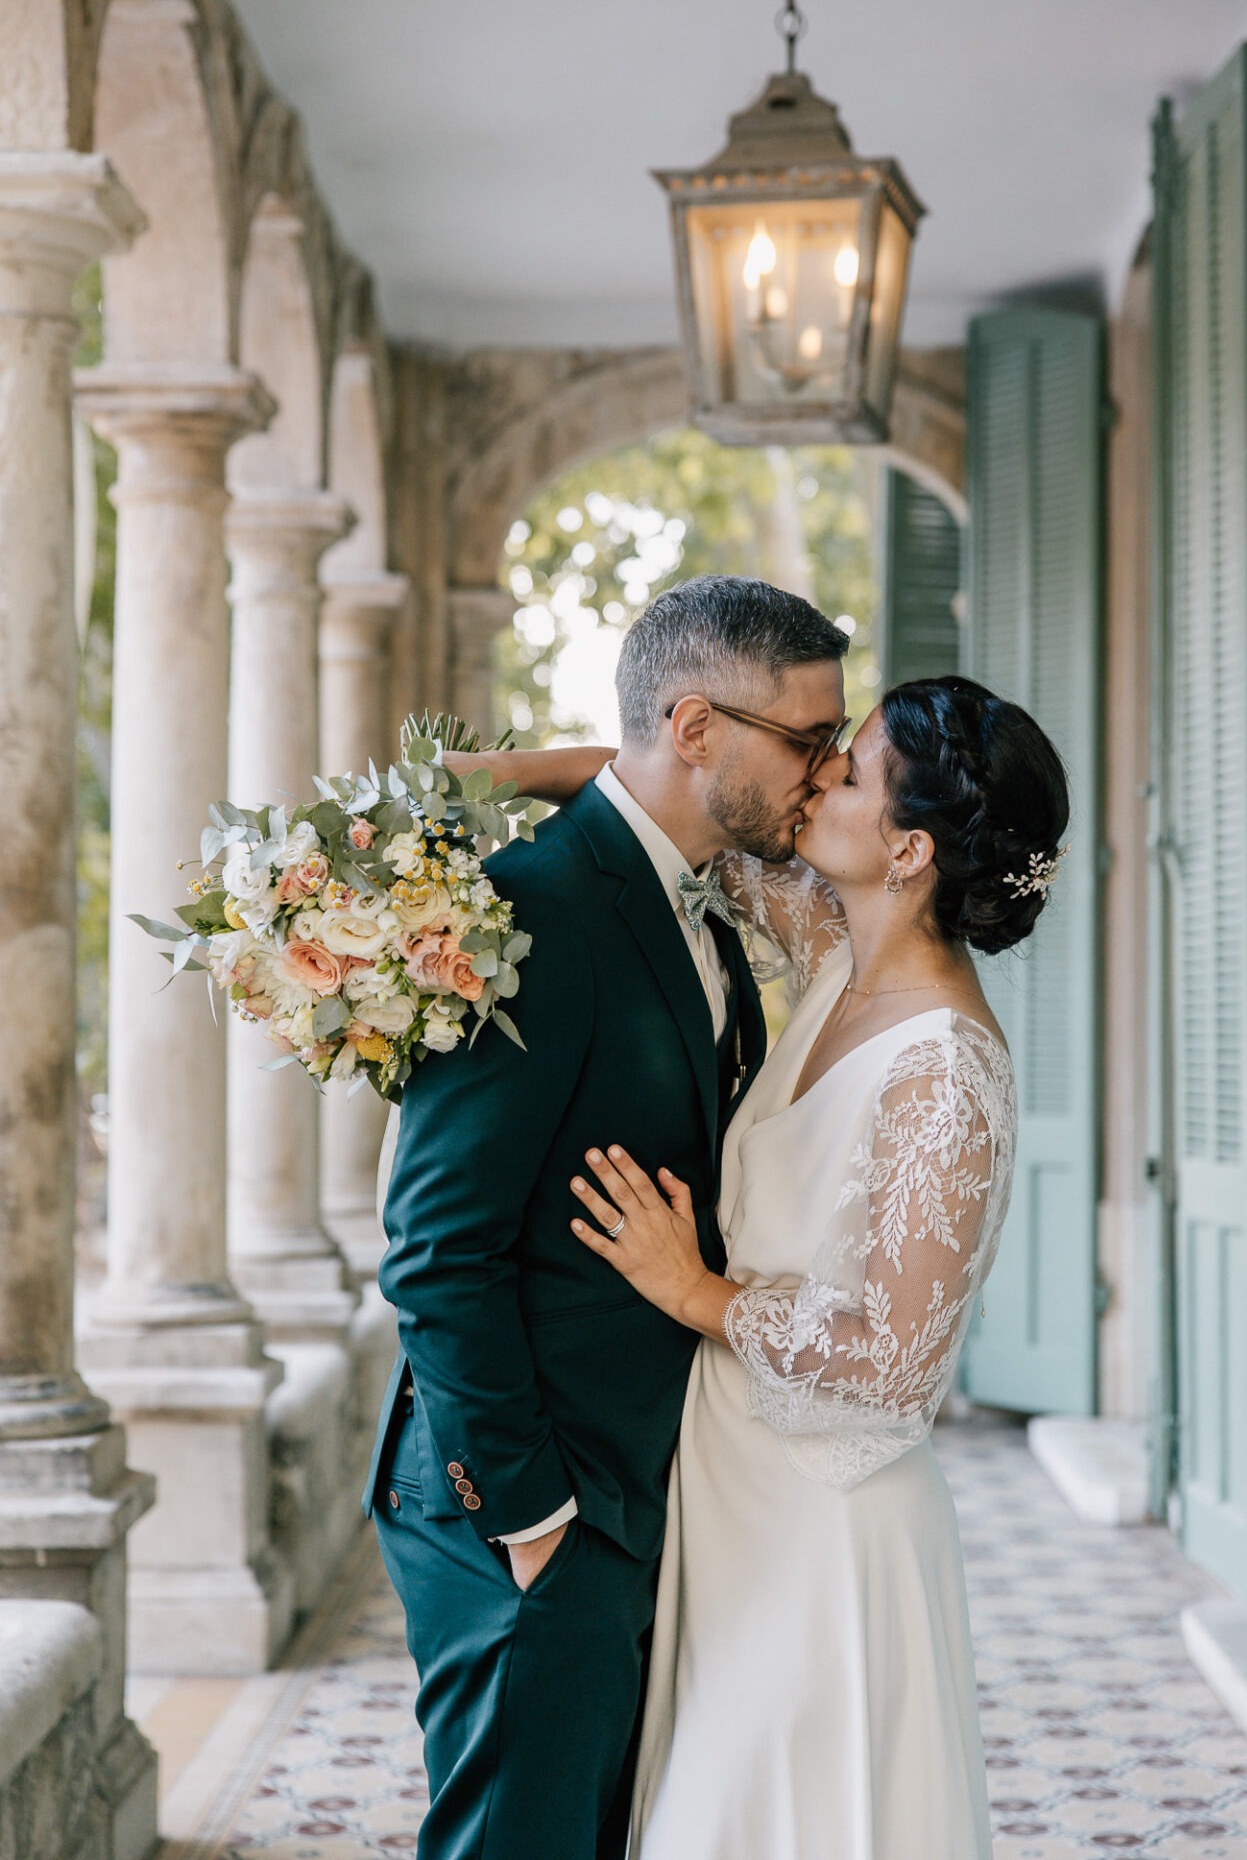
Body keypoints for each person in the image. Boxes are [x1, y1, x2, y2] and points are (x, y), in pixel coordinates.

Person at [499, 673, 1069, 1860]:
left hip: (825, 1530)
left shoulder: (944, 1074)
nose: (816, 778)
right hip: (729, 1494)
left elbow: (896, 1365)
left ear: (906, 848)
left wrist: (694, 1289)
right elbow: (655, 796)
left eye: (847, 772)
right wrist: (464, 789)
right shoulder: (832, 957)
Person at [362, 573, 849, 1860]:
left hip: (635, 1491)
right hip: (530, 1506)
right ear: (695, 730)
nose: (827, 772)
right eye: (807, 741)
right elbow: (432, 1250)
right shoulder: (537, 908)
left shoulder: (695, 890)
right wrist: (527, 1518)